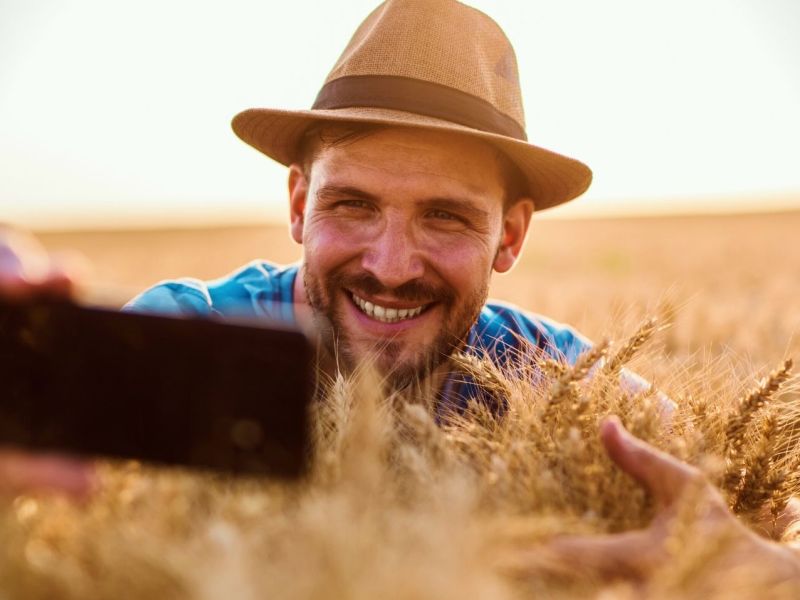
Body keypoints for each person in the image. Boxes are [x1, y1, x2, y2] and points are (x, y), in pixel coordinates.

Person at [1, 0, 799, 583]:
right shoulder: (193, 331)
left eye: (446, 217)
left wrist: (767, 567)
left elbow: (750, 484)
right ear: (297, 206)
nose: (390, 264)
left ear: (511, 237)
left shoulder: (553, 381)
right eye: (352, 205)